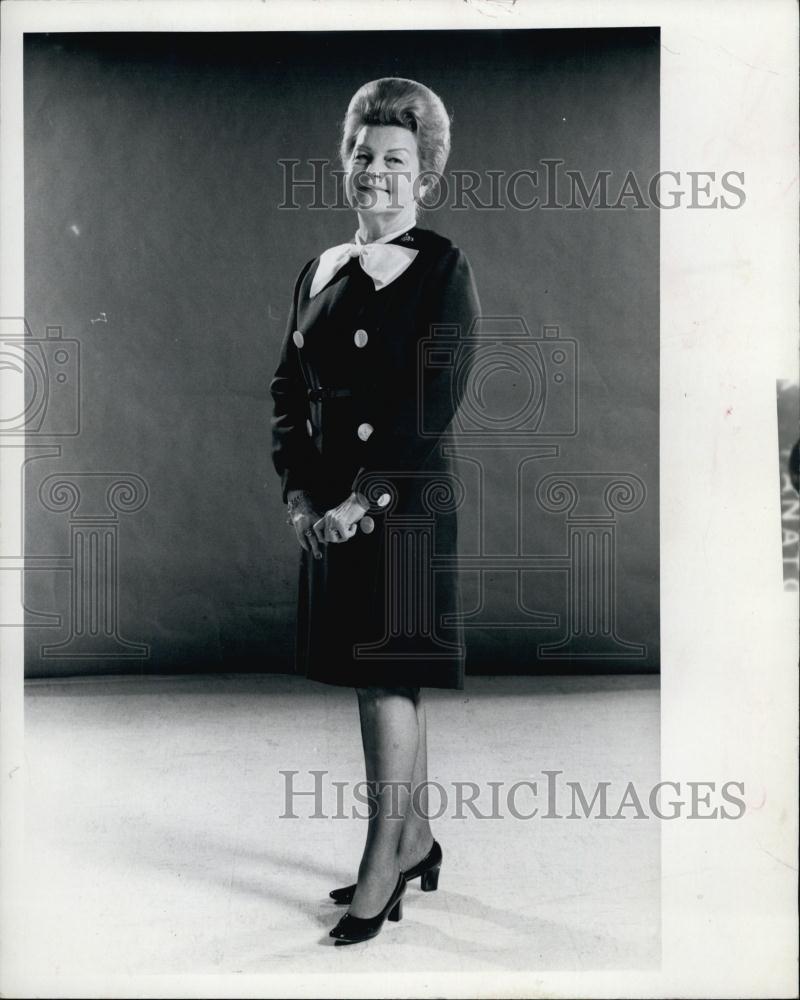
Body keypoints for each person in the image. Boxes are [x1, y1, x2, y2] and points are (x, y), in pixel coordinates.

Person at [269, 76, 481, 945]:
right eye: (362, 152)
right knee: (382, 679)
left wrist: (365, 498)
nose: (374, 170)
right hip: (332, 515)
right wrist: (304, 500)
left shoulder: (441, 267)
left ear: (424, 174)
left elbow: (436, 397)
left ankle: (381, 865)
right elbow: (288, 395)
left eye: (395, 157)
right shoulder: (318, 270)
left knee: (388, 682)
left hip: (404, 508)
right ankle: (419, 840)